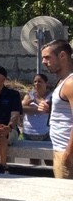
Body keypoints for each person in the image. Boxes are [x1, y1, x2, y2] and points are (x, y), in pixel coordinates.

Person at [41, 39, 73, 179]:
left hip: (67, 151)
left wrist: (68, 153)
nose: (43, 61)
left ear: (62, 56)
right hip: (60, 148)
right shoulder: (62, 81)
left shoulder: (70, 83)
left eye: (47, 57)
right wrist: (50, 110)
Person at [21, 73, 51, 141]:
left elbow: (48, 109)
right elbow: (20, 108)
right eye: (35, 81)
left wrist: (35, 100)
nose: (37, 83)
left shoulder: (50, 96)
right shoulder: (29, 95)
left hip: (45, 133)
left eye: (40, 81)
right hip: (28, 132)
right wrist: (38, 109)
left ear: (46, 83)